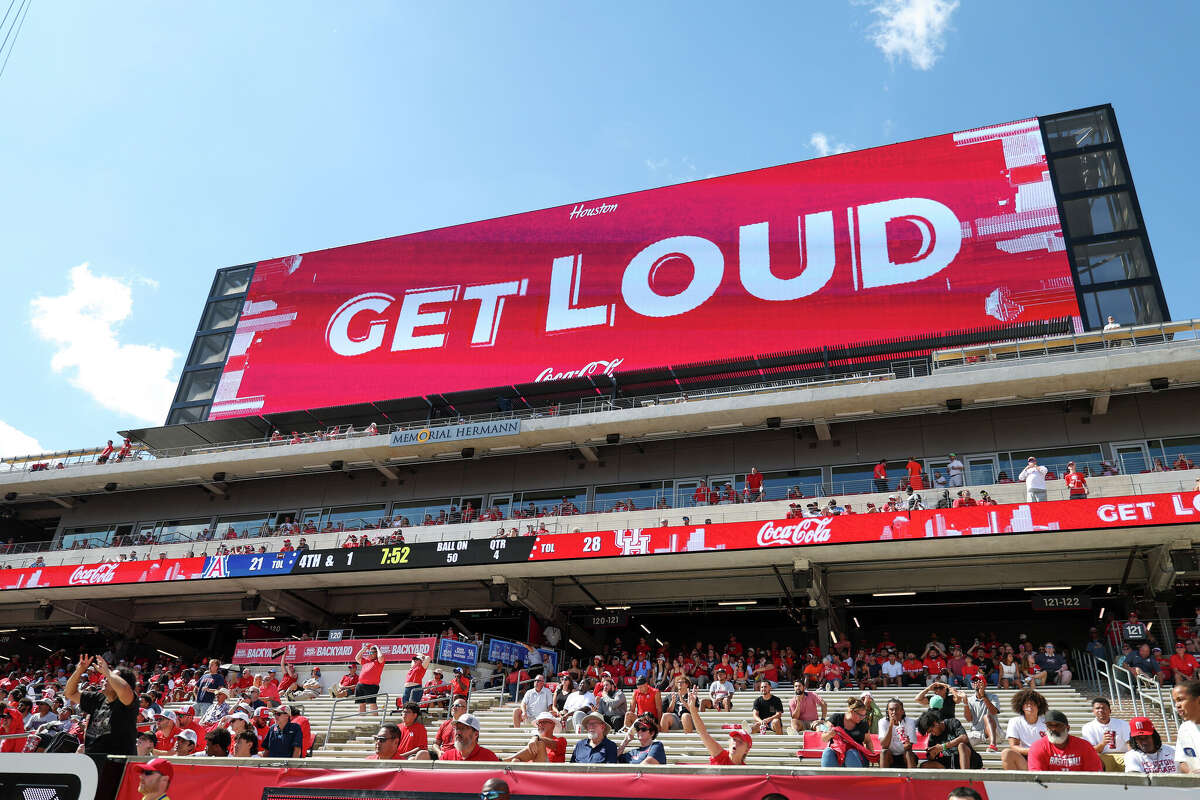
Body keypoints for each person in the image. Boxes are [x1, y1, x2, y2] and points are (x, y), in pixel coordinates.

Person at [65, 654, 138, 760]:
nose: (105, 679)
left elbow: (124, 689)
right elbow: (70, 693)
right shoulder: (98, 698)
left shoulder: (127, 701)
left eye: (110, 677)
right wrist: (78, 671)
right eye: (105, 676)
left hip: (117, 763)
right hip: (93, 761)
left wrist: (108, 672)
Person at [685, 693, 751, 765]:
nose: (735, 743)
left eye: (740, 742)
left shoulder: (746, 771)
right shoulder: (720, 755)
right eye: (734, 739)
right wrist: (692, 709)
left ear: (746, 750)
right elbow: (702, 732)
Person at [1027, 710, 1103, 772]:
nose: (1053, 729)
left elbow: (1094, 774)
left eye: (1058, 725)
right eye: (1050, 725)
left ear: (1068, 728)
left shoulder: (1085, 746)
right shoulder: (1037, 747)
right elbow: (1038, 777)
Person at [917, 709, 983, 769]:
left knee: (962, 746)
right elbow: (931, 757)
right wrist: (932, 755)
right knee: (925, 765)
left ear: (936, 723)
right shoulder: (933, 737)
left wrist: (943, 746)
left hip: (969, 760)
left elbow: (964, 738)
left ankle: (964, 776)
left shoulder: (952, 723)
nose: (932, 733)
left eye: (931, 730)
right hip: (951, 762)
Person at [821, 697, 876, 768]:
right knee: (828, 752)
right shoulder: (836, 718)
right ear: (852, 711)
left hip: (857, 757)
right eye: (860, 715)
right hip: (838, 754)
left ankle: (856, 778)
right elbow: (823, 738)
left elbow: (868, 742)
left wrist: (872, 756)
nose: (862, 718)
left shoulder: (863, 724)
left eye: (864, 716)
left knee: (851, 753)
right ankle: (827, 778)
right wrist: (829, 734)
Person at [1001, 688, 1049, 770]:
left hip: (1044, 757)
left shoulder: (1047, 722)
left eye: (1033, 703)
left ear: (1039, 707)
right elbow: (1013, 745)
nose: (1029, 705)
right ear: (1022, 707)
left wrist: (1039, 752)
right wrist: (1032, 751)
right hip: (1025, 757)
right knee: (1006, 753)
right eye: (1026, 703)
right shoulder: (1014, 721)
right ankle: (1015, 782)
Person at [1080, 697, 1130, 772]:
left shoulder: (1123, 724)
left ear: (1110, 711)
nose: (1100, 710)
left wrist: (1132, 756)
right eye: (1097, 708)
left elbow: (1129, 744)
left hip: (1123, 755)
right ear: (1093, 711)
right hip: (1103, 756)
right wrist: (1102, 744)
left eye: (1103, 708)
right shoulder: (1088, 727)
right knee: (1093, 757)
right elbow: (1090, 751)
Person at [963, 674, 1001, 752]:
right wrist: (965, 703)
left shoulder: (993, 697)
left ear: (984, 684)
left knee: (987, 716)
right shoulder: (970, 700)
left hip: (994, 731)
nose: (976, 683)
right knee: (960, 740)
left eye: (978, 681)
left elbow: (994, 712)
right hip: (977, 733)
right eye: (974, 681)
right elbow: (969, 719)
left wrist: (983, 696)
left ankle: (993, 745)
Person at [879, 697, 918, 768]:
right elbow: (884, 745)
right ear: (887, 711)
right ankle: (883, 778)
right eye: (891, 709)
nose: (894, 712)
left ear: (902, 711)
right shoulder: (883, 722)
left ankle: (912, 778)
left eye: (896, 709)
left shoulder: (910, 722)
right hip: (890, 756)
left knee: (908, 753)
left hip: (904, 755)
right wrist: (891, 725)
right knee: (884, 752)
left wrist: (906, 743)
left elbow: (908, 747)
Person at [1173, 679, 1200, 773]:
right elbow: (1182, 762)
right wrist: (1192, 773)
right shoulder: (1184, 728)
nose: (1177, 705)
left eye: (1180, 700)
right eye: (1175, 701)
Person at [356, 644, 386, 712]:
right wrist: (365, 648)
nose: (370, 654)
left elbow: (381, 657)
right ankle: (361, 720)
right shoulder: (366, 660)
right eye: (369, 652)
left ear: (376, 653)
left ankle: (375, 720)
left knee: (372, 703)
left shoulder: (379, 661)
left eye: (372, 652)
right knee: (361, 704)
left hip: (372, 685)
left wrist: (377, 647)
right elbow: (357, 658)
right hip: (361, 684)